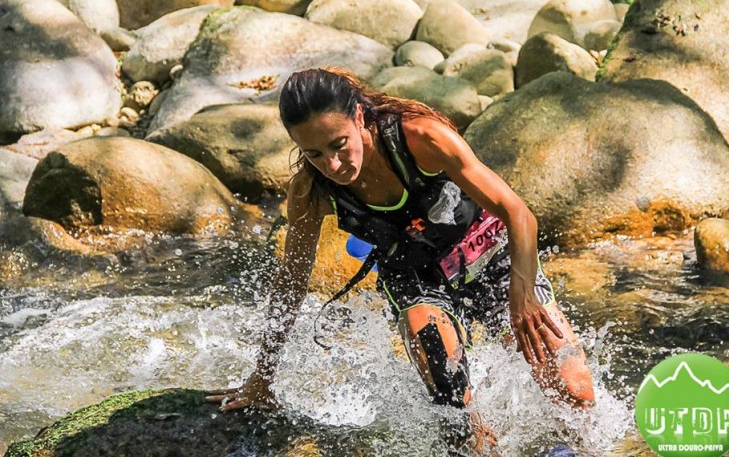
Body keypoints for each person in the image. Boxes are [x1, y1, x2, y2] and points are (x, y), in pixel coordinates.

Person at [207, 67, 595, 441]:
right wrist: (263, 377)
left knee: (575, 393)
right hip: (416, 278)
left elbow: (518, 214)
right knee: (456, 412)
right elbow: (291, 282)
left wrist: (523, 294)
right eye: (313, 154)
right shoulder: (311, 193)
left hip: (487, 254)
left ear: (359, 116)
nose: (333, 165)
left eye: (338, 145)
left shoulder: (420, 137)